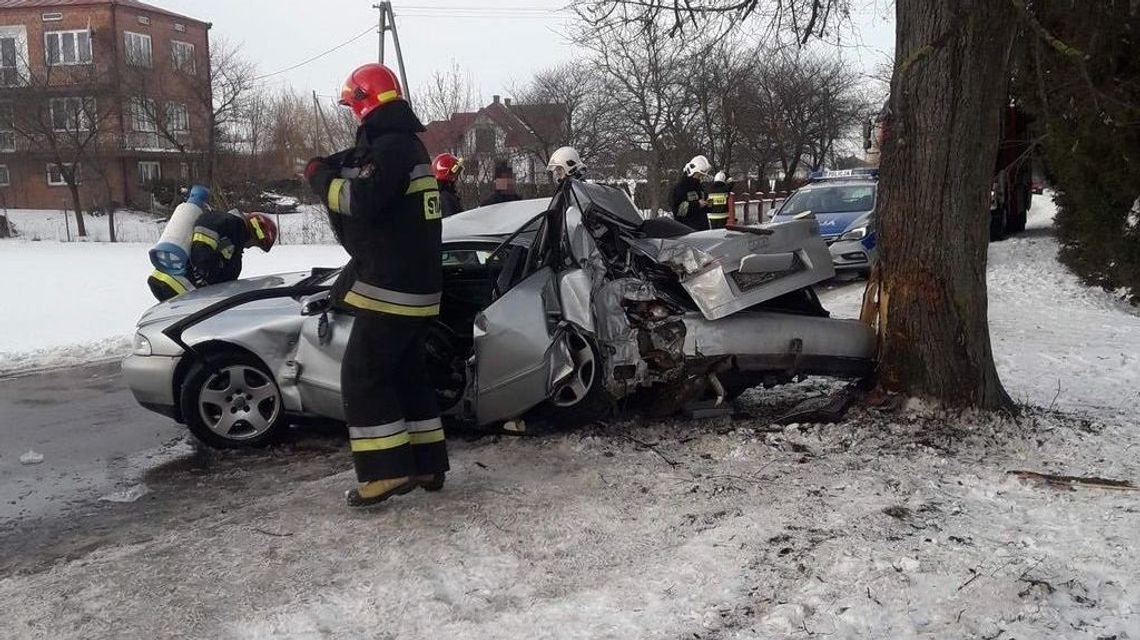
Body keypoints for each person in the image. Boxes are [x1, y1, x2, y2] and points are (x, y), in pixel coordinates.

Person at [304, 62, 448, 509]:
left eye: (353, 105)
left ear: (365, 102)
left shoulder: (389, 148)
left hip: (391, 288)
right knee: (407, 375)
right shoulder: (410, 147)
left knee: (362, 376)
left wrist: (320, 178)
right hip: (419, 287)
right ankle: (427, 464)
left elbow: (361, 202)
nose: (352, 115)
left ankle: (384, 475)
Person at [147, 210, 277, 302]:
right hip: (182, 286)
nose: (250, 246)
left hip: (171, 283)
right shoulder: (231, 223)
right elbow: (204, 234)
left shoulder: (233, 236)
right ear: (255, 231)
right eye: (255, 243)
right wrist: (203, 270)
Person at [672, 155, 712, 231]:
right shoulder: (680, 188)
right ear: (692, 172)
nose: (701, 178)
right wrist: (697, 204)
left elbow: (703, 208)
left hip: (702, 230)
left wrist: (708, 204)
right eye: (699, 175)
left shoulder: (700, 187)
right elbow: (678, 211)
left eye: (702, 176)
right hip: (687, 231)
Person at [432, 153, 465, 218]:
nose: (457, 178)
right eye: (456, 174)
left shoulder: (438, 195)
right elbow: (452, 222)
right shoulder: (445, 198)